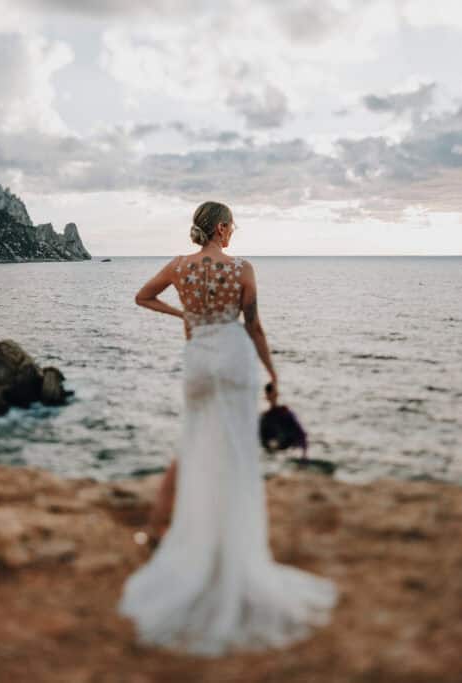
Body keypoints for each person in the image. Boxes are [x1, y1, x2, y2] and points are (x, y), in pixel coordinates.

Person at [117, 201, 338, 656]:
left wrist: (186, 317)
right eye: (233, 225)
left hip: (198, 359)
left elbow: (142, 297)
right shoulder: (242, 269)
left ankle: (175, 536)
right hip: (235, 359)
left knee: (195, 443)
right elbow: (253, 327)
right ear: (221, 228)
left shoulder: (179, 267)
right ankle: (230, 551)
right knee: (237, 452)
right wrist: (273, 375)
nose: (234, 232)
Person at [259, 381, 309, 457]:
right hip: (280, 452)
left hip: (288, 450)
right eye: (272, 393)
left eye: (275, 393)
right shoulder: (265, 418)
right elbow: (263, 441)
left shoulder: (285, 412)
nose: (274, 396)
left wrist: (304, 454)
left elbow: (300, 433)